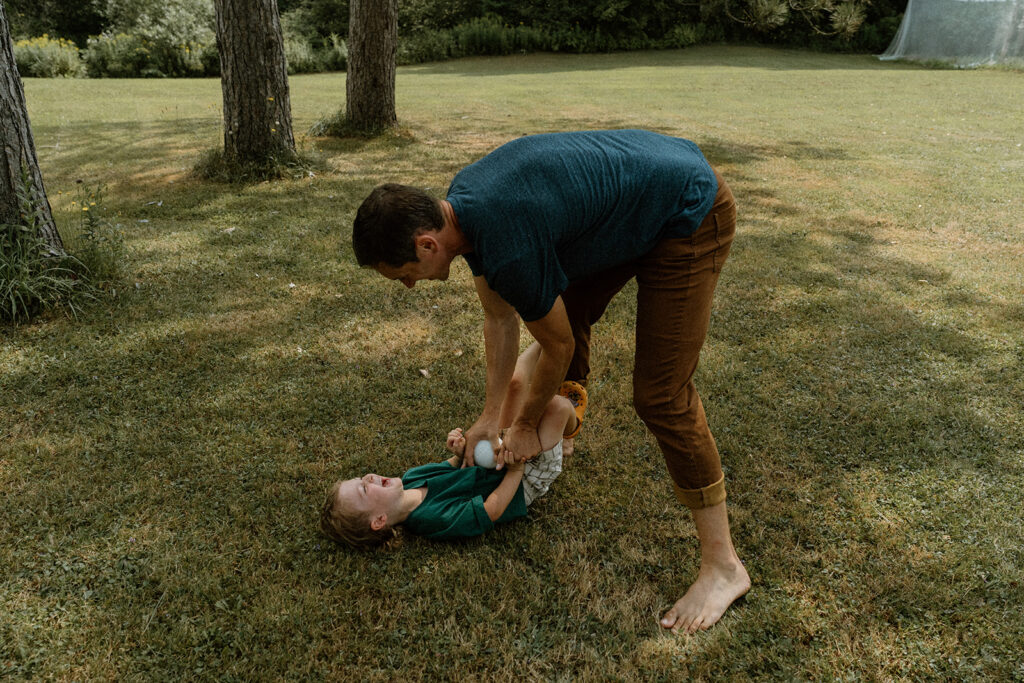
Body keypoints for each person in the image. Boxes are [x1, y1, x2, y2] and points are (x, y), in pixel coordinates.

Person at [350, 129, 749, 633]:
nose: (409, 286)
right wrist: (490, 417)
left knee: (660, 395)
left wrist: (524, 426)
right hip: (641, 200)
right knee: (567, 306)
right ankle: (564, 438)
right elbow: (499, 318)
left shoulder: (507, 242)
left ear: (427, 244)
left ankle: (724, 567)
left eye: (403, 274)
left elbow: (556, 345)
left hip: (689, 207)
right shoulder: (462, 213)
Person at [320, 346, 580, 547]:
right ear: (379, 521)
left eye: (360, 478)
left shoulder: (411, 477)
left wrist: (460, 452)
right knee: (558, 407)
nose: (368, 477)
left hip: (496, 457)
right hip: (522, 481)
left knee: (515, 382)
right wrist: (515, 471)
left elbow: (455, 467)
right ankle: (568, 434)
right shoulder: (431, 520)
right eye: (364, 488)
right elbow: (491, 511)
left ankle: (553, 327)